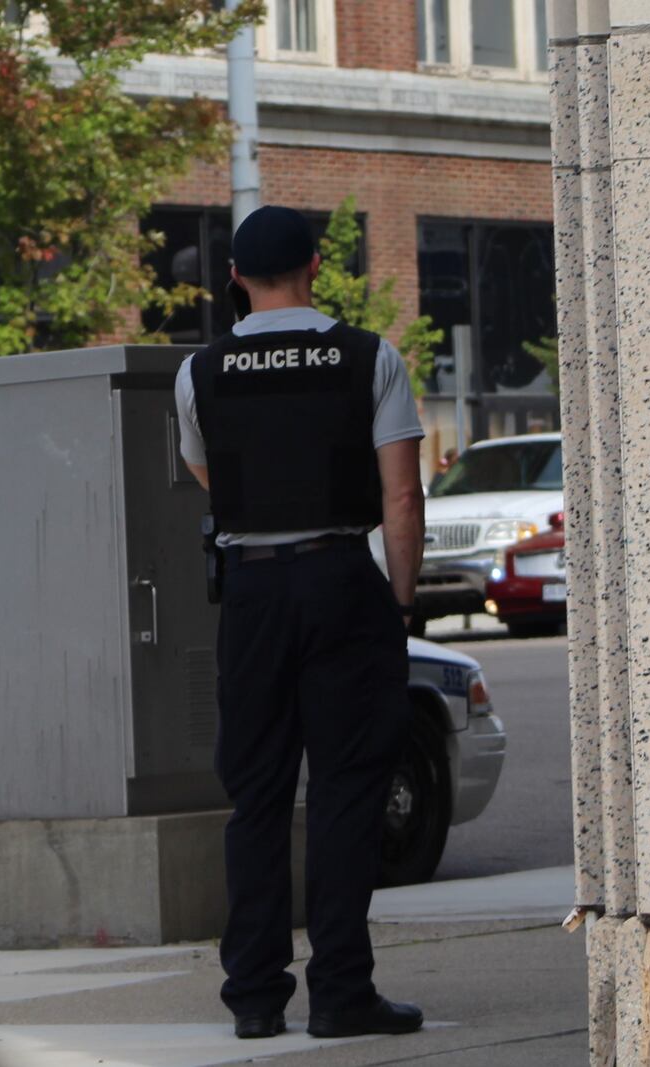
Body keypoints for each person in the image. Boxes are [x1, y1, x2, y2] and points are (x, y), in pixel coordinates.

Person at [174, 206, 426, 1041]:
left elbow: (206, 471)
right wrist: (398, 596)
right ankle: (341, 992)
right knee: (347, 791)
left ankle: (252, 995)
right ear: (317, 266)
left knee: (256, 794)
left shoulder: (200, 371)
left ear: (236, 278)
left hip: (251, 590)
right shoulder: (368, 357)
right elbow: (400, 494)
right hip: (340, 578)